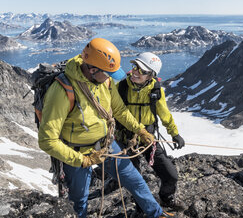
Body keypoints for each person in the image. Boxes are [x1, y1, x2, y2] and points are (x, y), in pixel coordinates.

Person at [38, 38, 173, 218]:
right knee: (78, 202)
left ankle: (156, 214)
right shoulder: (63, 90)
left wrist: (140, 130)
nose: (111, 77)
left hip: (106, 145)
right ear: (92, 69)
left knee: (135, 181)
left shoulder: (105, 82)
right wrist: (82, 160)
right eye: (108, 72)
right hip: (77, 153)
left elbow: (119, 110)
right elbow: (47, 140)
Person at [115, 52, 186, 211]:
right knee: (135, 179)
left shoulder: (155, 91)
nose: (135, 72)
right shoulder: (121, 87)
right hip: (126, 139)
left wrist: (174, 133)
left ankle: (166, 198)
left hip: (148, 139)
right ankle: (141, 207)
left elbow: (164, 114)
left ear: (151, 75)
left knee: (171, 176)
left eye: (141, 70)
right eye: (135, 67)